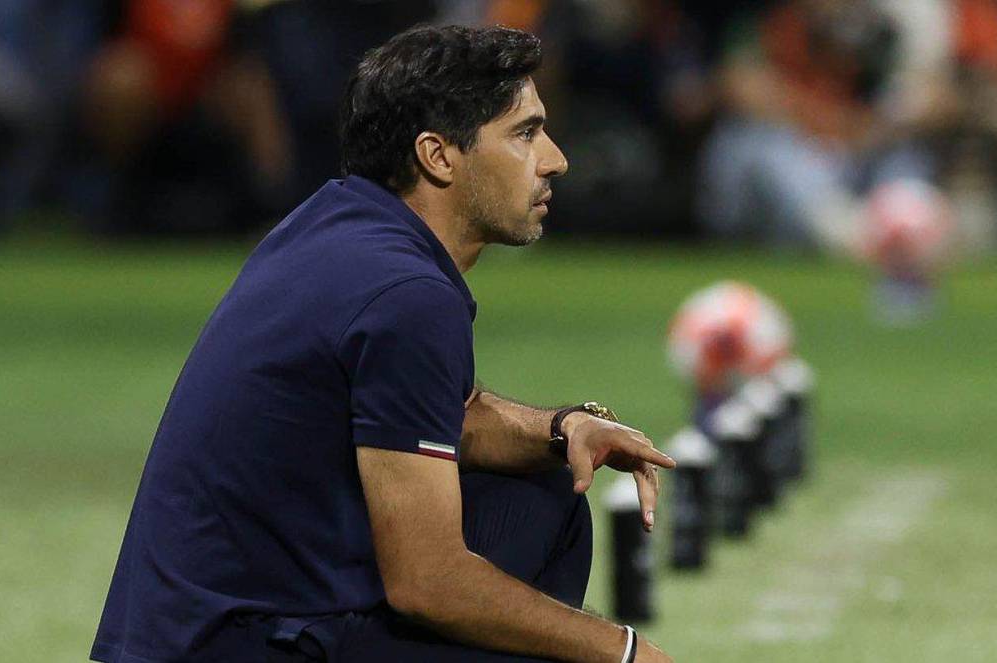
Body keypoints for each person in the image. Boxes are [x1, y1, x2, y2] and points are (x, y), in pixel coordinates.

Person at [91, 25, 675, 663]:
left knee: (544, 496)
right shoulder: (407, 295)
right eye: (525, 133)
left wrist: (562, 428)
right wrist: (625, 651)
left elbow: (426, 413)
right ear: (438, 155)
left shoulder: (336, 221)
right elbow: (428, 584)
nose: (556, 158)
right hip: (239, 642)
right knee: (543, 633)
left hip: (198, 630)